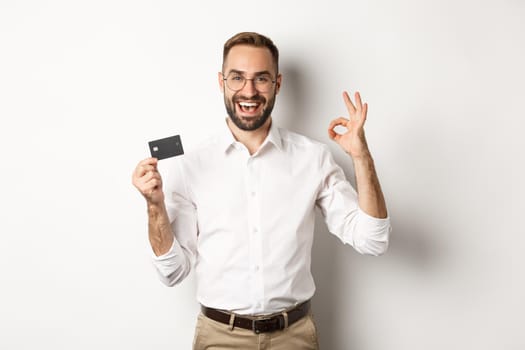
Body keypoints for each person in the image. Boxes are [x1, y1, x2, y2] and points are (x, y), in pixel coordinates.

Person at [132, 32, 391, 350]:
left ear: (277, 84)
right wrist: (154, 206)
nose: (249, 91)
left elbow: (372, 240)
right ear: (221, 82)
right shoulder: (191, 164)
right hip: (219, 339)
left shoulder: (313, 158)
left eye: (261, 79)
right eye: (237, 77)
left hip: (293, 338)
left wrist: (361, 156)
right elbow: (172, 272)